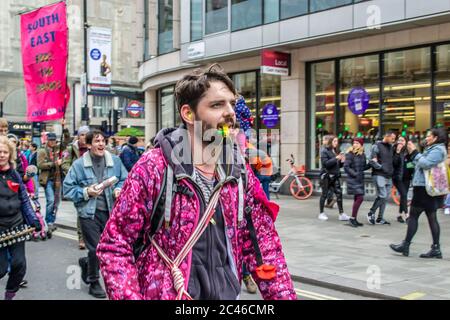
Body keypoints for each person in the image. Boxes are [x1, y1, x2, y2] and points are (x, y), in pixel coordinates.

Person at [96, 65, 296, 300]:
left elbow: (264, 246)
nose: (230, 112)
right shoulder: (155, 167)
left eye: (231, 103)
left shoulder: (239, 171)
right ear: (189, 114)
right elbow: (115, 246)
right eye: (217, 105)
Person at [63, 129, 128, 298]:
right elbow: (67, 189)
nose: (101, 144)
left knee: (108, 249)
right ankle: (93, 282)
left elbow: (124, 178)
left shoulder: (115, 161)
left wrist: (120, 188)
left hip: (110, 211)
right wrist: (86, 192)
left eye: (103, 141)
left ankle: (86, 264)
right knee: (96, 249)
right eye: (97, 141)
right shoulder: (78, 165)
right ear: (89, 144)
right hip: (88, 214)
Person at [390, 128, 448, 258]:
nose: (426, 138)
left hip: (425, 189)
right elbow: (419, 164)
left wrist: (415, 152)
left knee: (414, 215)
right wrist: (413, 153)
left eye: (429, 136)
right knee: (431, 217)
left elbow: (426, 164)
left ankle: (406, 245)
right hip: (424, 187)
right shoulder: (433, 149)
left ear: (436, 138)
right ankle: (436, 248)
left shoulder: (438, 150)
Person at [0, 136, 41, 300]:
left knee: (19, 265)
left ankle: (9, 296)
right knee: (1, 269)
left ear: (10, 154)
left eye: (4, 152)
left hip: (17, 226)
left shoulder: (16, 175)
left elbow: (24, 199)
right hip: (0, 228)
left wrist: (33, 219)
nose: (1, 155)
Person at [61, 125, 90, 250]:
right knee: (81, 210)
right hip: (79, 183)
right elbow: (64, 164)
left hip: (92, 182)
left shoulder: (93, 147)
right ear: (78, 136)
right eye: (82, 134)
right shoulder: (70, 148)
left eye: (86, 134)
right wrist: (75, 173)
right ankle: (82, 237)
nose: (84, 137)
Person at [367, 131, 396, 225]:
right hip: (379, 175)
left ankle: (380, 218)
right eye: (392, 138)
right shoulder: (376, 146)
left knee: (385, 198)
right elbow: (371, 161)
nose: (393, 140)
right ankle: (371, 212)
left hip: (389, 176)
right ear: (386, 136)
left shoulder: (391, 147)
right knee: (382, 195)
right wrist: (382, 167)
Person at [318, 135, 350, 221]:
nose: (336, 143)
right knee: (324, 194)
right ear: (330, 142)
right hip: (326, 176)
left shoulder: (336, 151)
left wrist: (342, 161)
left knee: (339, 194)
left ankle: (341, 213)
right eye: (334, 141)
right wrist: (336, 158)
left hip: (335, 176)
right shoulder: (324, 151)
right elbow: (326, 164)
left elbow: (337, 165)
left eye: (337, 141)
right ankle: (321, 213)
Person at [37, 132, 62, 231]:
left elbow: (67, 141)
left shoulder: (58, 150)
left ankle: (52, 220)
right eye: (50, 140)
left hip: (57, 180)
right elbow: (40, 165)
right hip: (47, 180)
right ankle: (48, 222)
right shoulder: (42, 151)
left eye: (54, 140)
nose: (52, 142)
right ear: (47, 140)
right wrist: (54, 163)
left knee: (56, 202)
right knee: (51, 200)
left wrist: (64, 131)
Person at [344, 138, 371, 227]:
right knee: (360, 198)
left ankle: (354, 219)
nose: (355, 144)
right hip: (353, 179)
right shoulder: (350, 154)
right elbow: (346, 167)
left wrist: (371, 164)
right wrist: (355, 174)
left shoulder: (362, 154)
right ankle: (352, 218)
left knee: (357, 198)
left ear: (361, 145)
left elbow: (363, 167)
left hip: (360, 179)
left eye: (357, 143)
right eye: (354, 143)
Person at [393, 135, 414, 223]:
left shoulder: (408, 152)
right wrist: (397, 152)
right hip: (398, 177)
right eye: (399, 140)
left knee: (403, 196)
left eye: (402, 140)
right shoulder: (394, 150)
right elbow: (394, 163)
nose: (400, 142)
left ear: (406, 142)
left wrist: (411, 167)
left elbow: (411, 164)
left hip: (407, 177)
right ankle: (407, 215)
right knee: (404, 194)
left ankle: (399, 215)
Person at [321, 135, 337, 209]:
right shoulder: (325, 150)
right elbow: (326, 163)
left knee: (329, 189)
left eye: (324, 140)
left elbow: (330, 163)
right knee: (328, 190)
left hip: (331, 173)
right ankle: (328, 202)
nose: (323, 141)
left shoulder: (332, 150)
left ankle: (330, 201)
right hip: (327, 173)